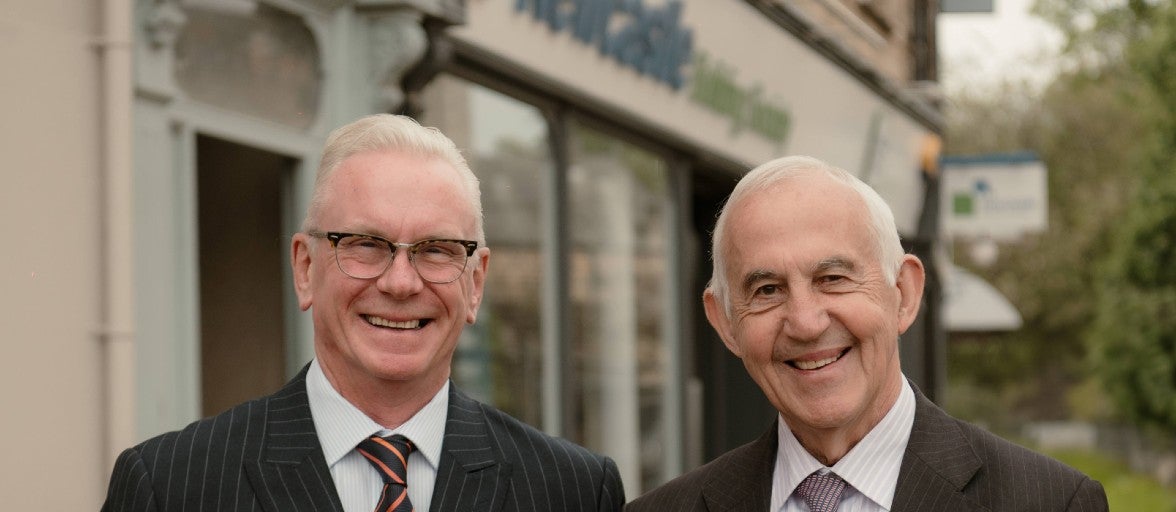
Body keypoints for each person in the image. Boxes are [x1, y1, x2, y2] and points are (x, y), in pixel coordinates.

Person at [103, 114, 625, 511]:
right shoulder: (171, 484)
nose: (400, 282)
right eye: (365, 244)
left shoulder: (572, 490)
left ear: (476, 283)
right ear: (305, 268)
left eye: (437, 249)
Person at [626, 156, 1107, 511]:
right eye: (768, 289)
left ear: (905, 292)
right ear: (726, 324)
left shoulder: (1051, 502)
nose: (807, 322)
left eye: (832, 279)